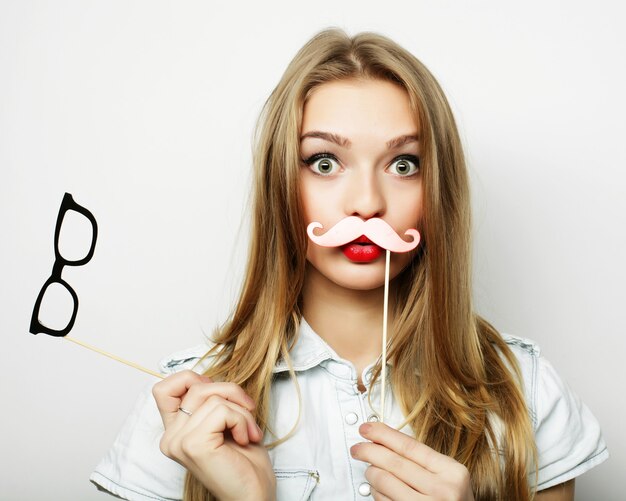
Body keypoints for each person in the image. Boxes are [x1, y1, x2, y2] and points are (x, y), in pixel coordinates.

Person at [90, 28, 608, 501]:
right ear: (281, 186)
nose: (366, 203)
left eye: (404, 165)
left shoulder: (525, 391)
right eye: (324, 162)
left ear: (437, 194)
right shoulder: (185, 410)